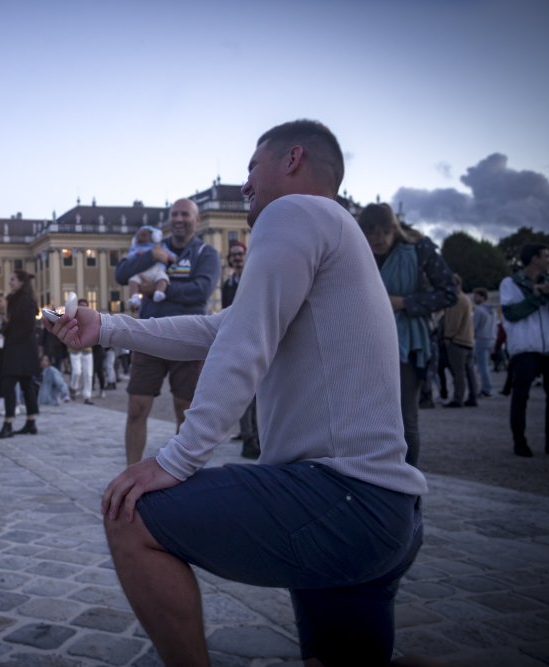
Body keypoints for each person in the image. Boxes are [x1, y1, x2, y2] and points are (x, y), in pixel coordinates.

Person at [49, 120, 427, 666]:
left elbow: (243, 344)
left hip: (338, 496)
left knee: (129, 518)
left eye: (252, 167)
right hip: (383, 508)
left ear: (293, 159)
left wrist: (178, 459)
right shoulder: (335, 231)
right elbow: (220, 328)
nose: (246, 184)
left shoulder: (295, 212)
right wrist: (107, 327)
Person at [115, 197, 219, 465]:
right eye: (175, 214)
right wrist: (151, 257)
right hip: (149, 336)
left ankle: (179, 473)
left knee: (185, 411)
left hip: (188, 340)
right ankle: (131, 470)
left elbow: (201, 291)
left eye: (185, 214)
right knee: (136, 408)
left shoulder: (205, 253)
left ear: (197, 220)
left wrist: (160, 289)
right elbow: (121, 274)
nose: (179, 219)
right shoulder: (154, 248)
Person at [358, 203, 456, 466]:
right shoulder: (358, 253)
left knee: (405, 418)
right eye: (370, 233)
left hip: (409, 344)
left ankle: (407, 480)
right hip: (366, 343)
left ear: (394, 228)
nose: (377, 239)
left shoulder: (420, 250)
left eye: (382, 232)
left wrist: (403, 303)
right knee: (366, 418)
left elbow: (449, 293)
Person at [499, 243, 549, 458]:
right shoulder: (510, 283)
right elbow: (511, 313)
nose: (548, 260)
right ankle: (519, 441)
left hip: (547, 347)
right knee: (520, 396)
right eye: (546, 256)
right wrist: (536, 297)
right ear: (534, 259)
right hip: (525, 347)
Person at [222, 241, 260, 459]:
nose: (237, 258)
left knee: (259, 393)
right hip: (239, 341)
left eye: (240, 254)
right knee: (245, 392)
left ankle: (256, 434)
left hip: (257, 337)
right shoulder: (227, 284)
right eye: (233, 255)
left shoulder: (254, 277)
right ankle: (249, 438)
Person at [0, 269, 40, 438]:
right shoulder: (16, 299)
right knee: (26, 385)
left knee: (9, 384)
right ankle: (31, 421)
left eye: (13, 279)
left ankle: (8, 423)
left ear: (21, 282)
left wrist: (9, 334)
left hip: (20, 349)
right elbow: (18, 323)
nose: (10, 282)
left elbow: (27, 326)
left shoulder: (26, 300)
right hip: (22, 348)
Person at [442, 274, 477, 408]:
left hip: (457, 341)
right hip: (467, 340)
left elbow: (453, 322)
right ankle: (473, 396)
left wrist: (448, 336)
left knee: (458, 372)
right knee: (469, 371)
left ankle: (458, 398)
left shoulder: (457, 300)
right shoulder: (466, 299)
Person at [126, 225, 170, 307]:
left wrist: (171, 257)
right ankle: (135, 297)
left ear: (155, 237)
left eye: (145, 235)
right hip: (142, 273)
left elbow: (168, 255)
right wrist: (143, 255)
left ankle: (159, 292)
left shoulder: (160, 246)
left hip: (157, 270)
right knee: (132, 280)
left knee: (163, 278)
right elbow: (128, 260)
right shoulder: (135, 248)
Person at [68, 298, 95, 405]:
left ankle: (87, 396)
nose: (83, 307)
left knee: (88, 374)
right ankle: (73, 387)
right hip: (74, 349)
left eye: (85, 305)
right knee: (77, 372)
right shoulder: (72, 318)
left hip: (87, 349)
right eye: (81, 305)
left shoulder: (92, 319)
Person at [472, 288, 496, 397]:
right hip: (491, 338)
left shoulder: (479, 310)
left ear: (482, 297)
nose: (473, 298)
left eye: (476, 296)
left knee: (482, 366)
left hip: (481, 339)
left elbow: (473, 326)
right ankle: (487, 387)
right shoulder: (492, 310)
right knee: (486, 365)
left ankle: (486, 389)